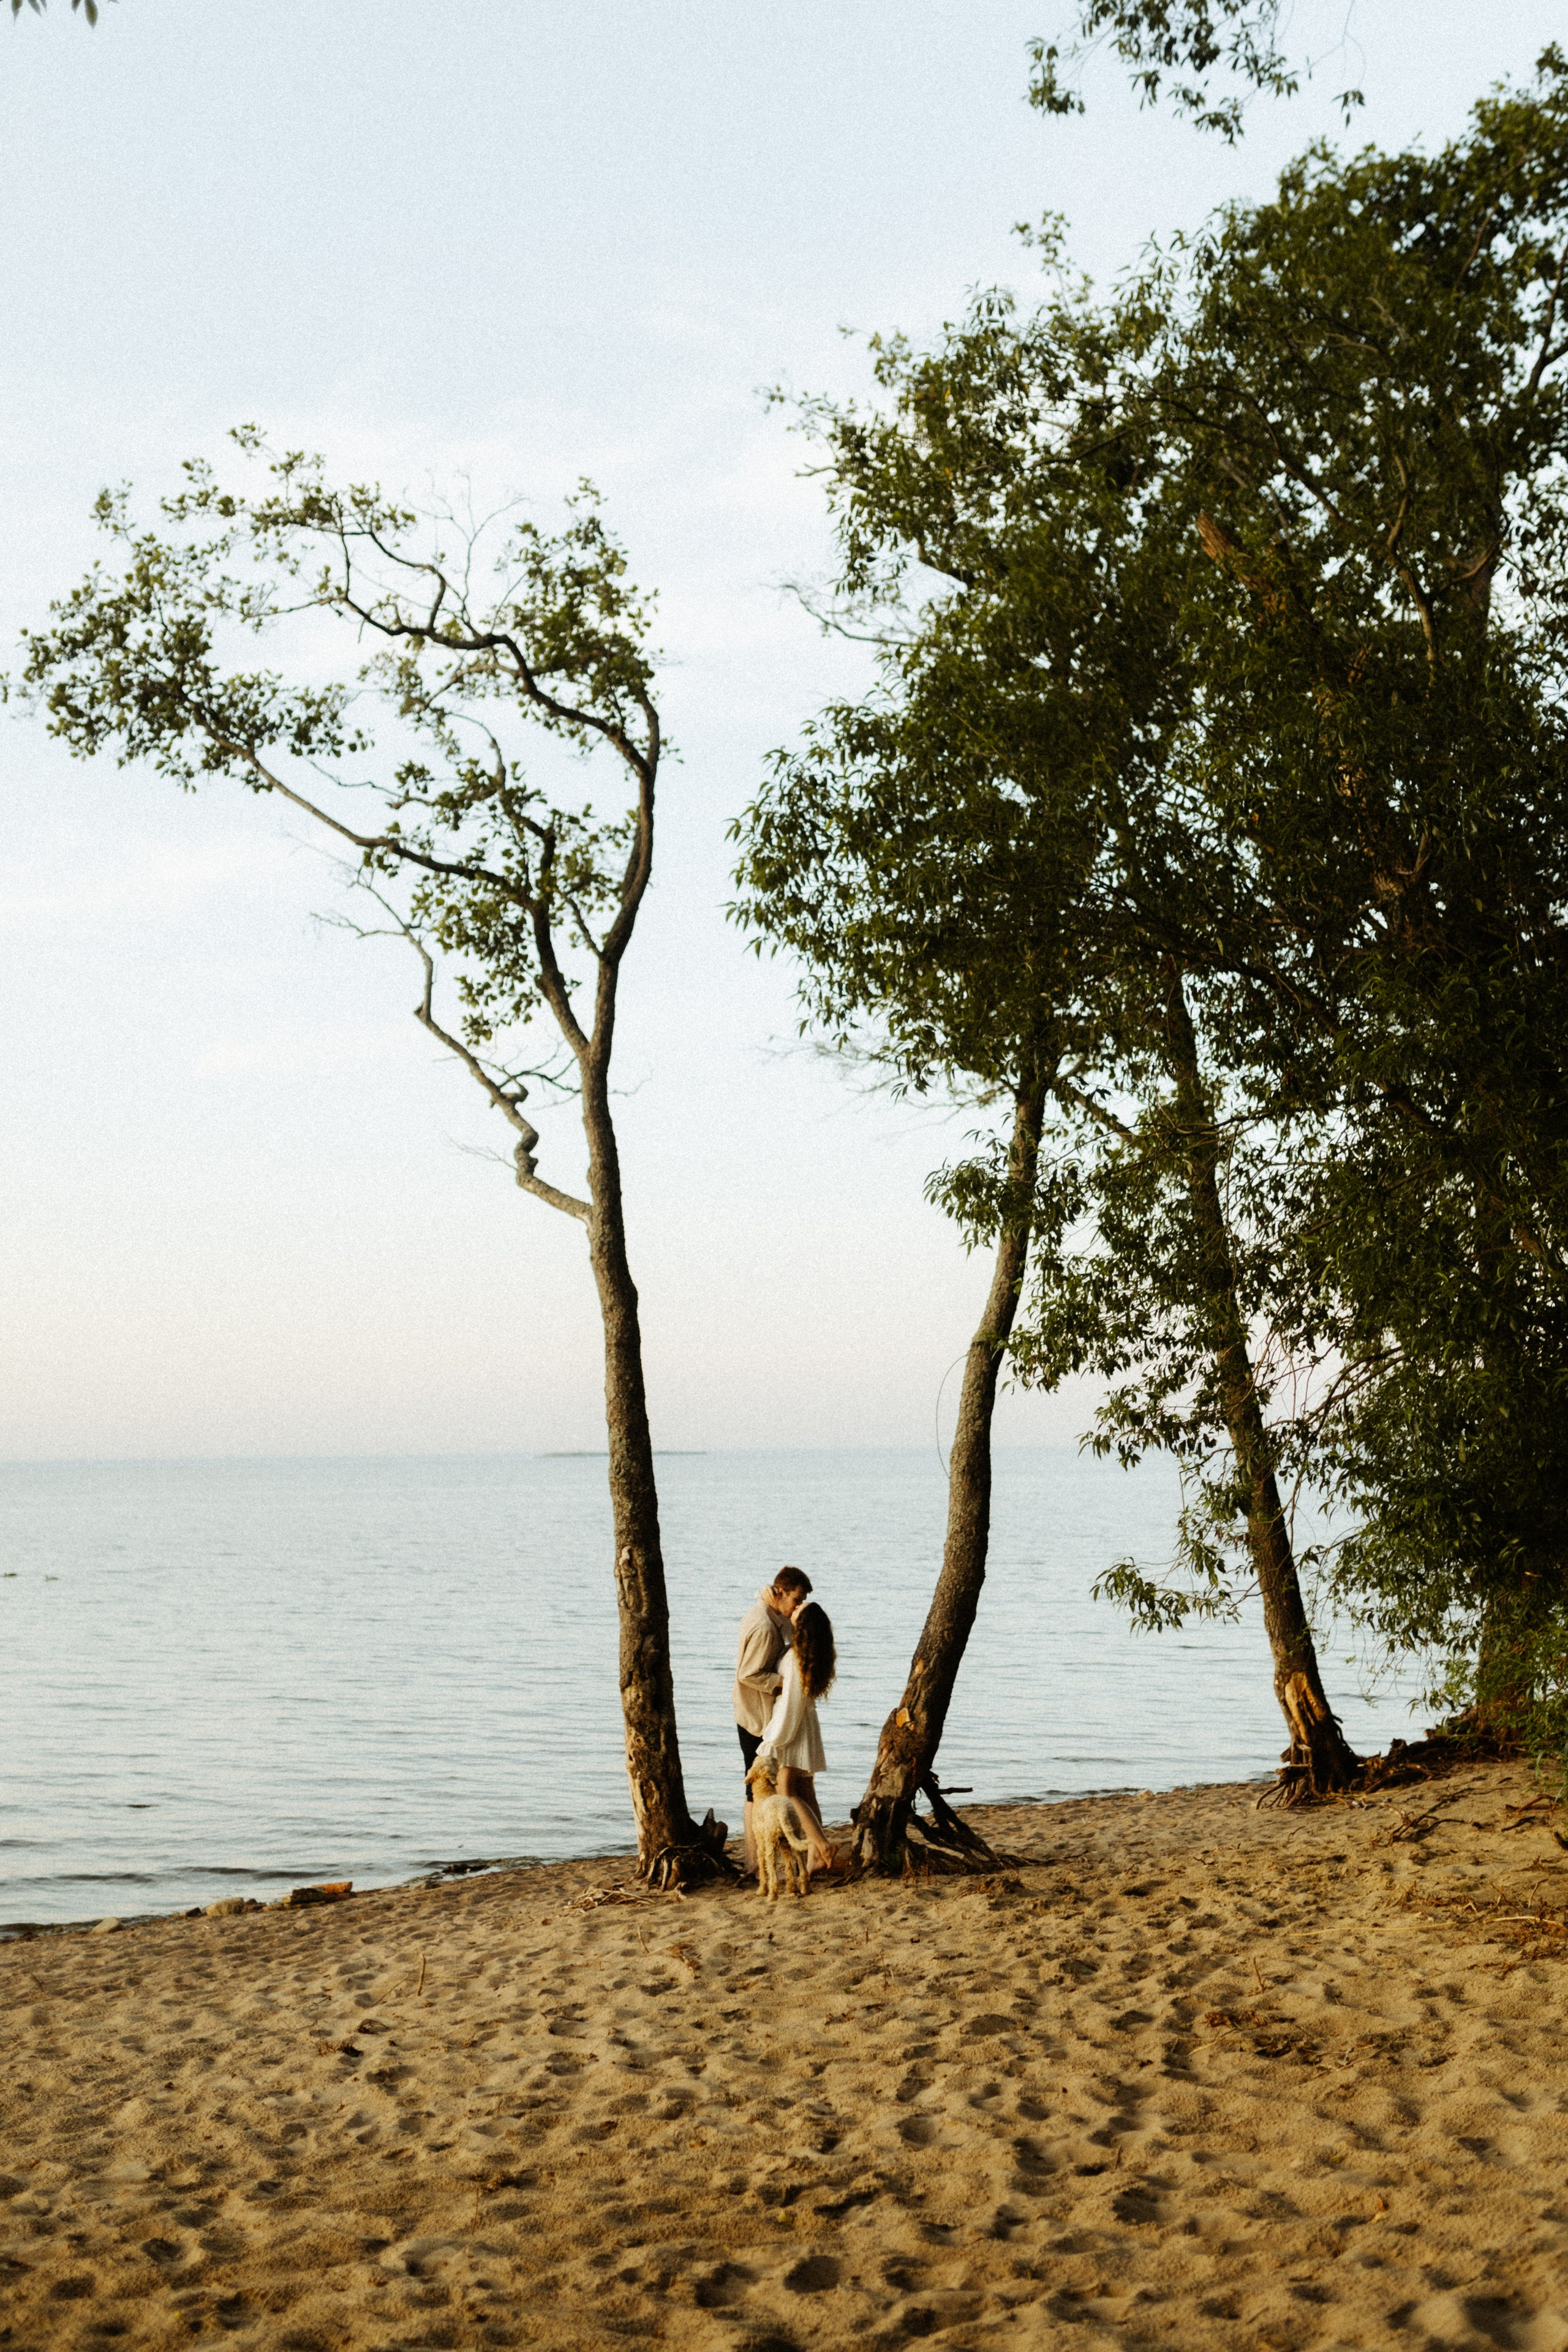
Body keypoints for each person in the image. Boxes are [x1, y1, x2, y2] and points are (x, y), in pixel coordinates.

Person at [734, 1566, 812, 1872]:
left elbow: (791, 1630)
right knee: (755, 1791)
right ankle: (754, 1863)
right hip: (756, 1716)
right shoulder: (765, 1626)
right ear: (780, 1593)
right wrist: (785, 1683)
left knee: (763, 1789)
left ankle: (758, 1862)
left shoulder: (771, 1613)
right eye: (796, 1599)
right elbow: (748, 1673)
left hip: (757, 1713)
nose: (799, 1605)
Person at [757, 1595, 837, 1877]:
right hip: (804, 1724)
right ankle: (816, 1855)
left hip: (792, 1728)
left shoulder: (795, 1658)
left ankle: (822, 1846)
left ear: (803, 1624)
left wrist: (775, 1738)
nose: (797, 1606)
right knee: (806, 1791)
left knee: (786, 1791)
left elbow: (791, 1701)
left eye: (800, 1608)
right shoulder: (810, 1653)